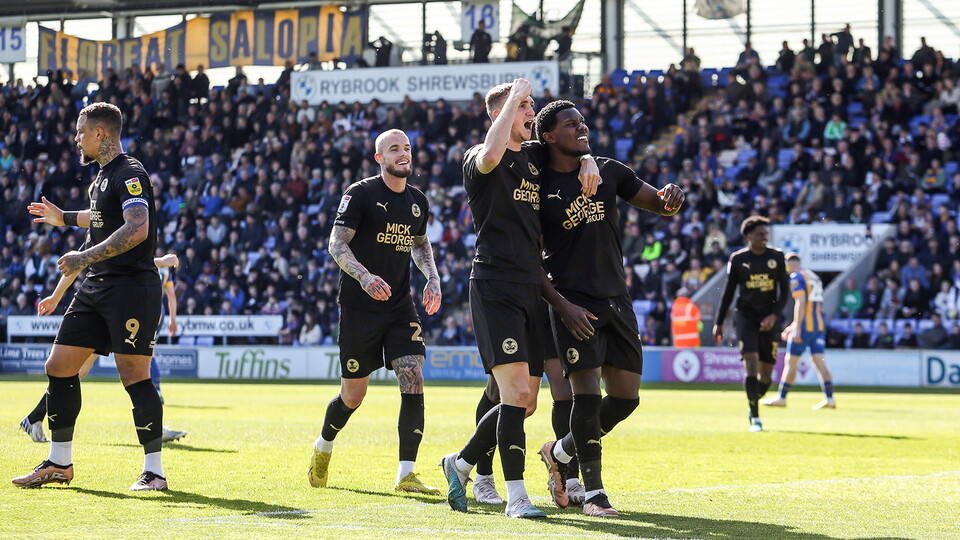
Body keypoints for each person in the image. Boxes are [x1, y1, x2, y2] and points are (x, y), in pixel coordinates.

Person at [438, 79, 599, 519]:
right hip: (496, 285)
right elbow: (491, 155)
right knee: (515, 394)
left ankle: (461, 463)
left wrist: (587, 159)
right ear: (501, 113)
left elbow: (570, 151)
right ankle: (516, 497)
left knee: (525, 401)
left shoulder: (532, 156)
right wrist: (512, 98)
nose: (531, 111)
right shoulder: (479, 155)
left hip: (533, 286)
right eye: (524, 105)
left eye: (530, 104)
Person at [533, 99, 684, 517]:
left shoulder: (608, 170)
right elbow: (531, 259)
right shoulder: (538, 186)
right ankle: (595, 495)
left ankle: (559, 452)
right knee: (585, 397)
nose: (582, 127)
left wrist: (672, 196)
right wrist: (561, 306)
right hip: (574, 302)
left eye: (582, 122)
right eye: (571, 124)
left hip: (617, 299)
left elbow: (659, 203)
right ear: (549, 136)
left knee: (625, 398)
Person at [14, 102, 167, 491]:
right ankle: (59, 463)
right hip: (96, 286)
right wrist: (64, 217)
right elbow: (98, 217)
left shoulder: (130, 173)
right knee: (59, 365)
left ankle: (154, 472)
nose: (76, 138)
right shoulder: (101, 177)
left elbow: (137, 227)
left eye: (81, 132)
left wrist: (83, 257)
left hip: (131, 287)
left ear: (101, 134)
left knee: (134, 375)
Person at [307, 129, 442, 495]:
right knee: (353, 396)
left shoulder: (418, 201)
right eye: (394, 149)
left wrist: (432, 277)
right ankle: (323, 445)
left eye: (407, 148)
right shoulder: (361, 193)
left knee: (413, 375)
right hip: (359, 307)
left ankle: (406, 475)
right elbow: (336, 243)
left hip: (399, 304)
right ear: (379, 158)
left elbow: (420, 243)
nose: (403, 153)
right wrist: (365, 276)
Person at [20, 254, 187, 444]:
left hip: (117, 308)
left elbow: (99, 257)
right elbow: (120, 257)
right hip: (114, 309)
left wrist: (56, 296)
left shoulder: (109, 239)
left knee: (83, 370)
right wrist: (160, 261)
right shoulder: (117, 240)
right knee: (137, 371)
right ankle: (155, 429)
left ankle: (34, 418)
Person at [713, 216, 790, 432]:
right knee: (751, 363)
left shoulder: (777, 257)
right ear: (749, 236)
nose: (764, 237)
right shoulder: (738, 259)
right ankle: (755, 417)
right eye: (760, 234)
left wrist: (774, 316)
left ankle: (753, 399)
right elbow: (728, 293)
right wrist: (719, 322)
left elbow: (785, 292)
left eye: (766, 234)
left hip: (769, 317)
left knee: (766, 374)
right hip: (745, 316)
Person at [762, 253, 836, 410]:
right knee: (820, 362)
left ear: (790, 264)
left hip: (805, 326)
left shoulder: (796, 277)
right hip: (818, 325)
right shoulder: (813, 276)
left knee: (791, 362)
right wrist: (793, 325)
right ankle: (830, 398)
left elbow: (801, 302)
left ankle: (782, 397)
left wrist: (797, 327)